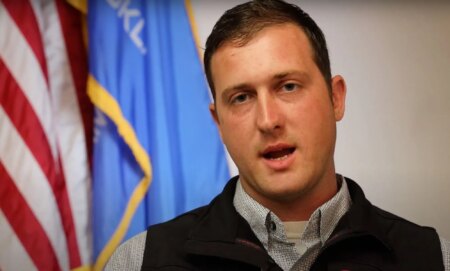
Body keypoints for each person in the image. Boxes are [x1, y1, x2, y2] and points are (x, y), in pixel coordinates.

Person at [105, 0, 450, 270]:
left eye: (288, 86)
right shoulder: (139, 262)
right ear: (219, 123)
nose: (268, 121)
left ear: (336, 99)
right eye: (241, 97)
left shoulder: (436, 260)